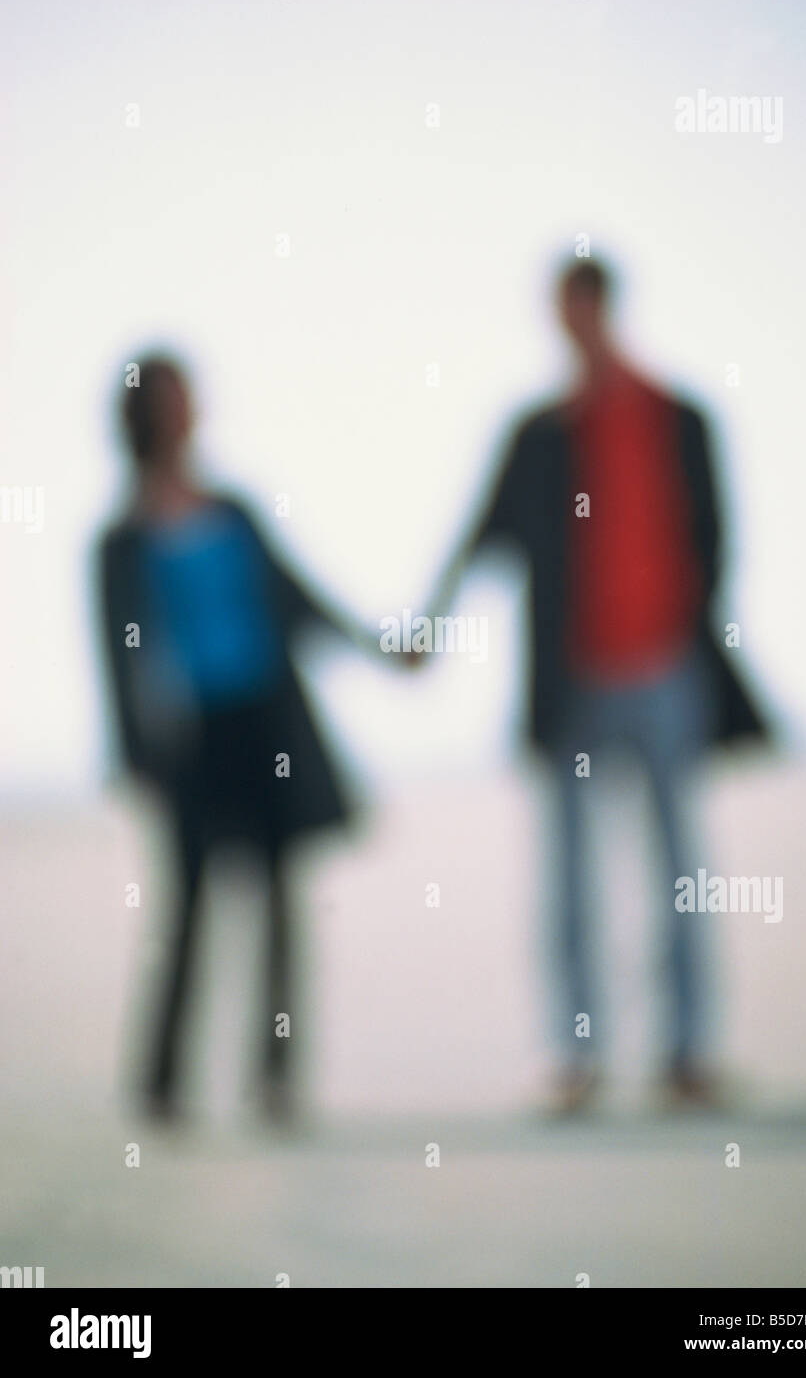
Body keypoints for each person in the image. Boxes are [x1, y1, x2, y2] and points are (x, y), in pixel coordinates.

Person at [426, 258, 766, 1113]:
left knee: (679, 869)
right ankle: (576, 1059)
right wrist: (428, 627)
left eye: (579, 309)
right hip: (572, 681)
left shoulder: (674, 417)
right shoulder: (541, 433)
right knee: (571, 879)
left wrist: (690, 630)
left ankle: (686, 1054)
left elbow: (713, 539)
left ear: (603, 309)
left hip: (663, 670)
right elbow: (484, 536)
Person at [97, 355, 386, 1122]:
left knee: (279, 906)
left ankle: (276, 1078)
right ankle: (162, 1083)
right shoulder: (121, 540)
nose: (187, 411)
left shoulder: (232, 512)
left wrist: (381, 646)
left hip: (265, 727)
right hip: (187, 743)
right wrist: (135, 757)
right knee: (187, 908)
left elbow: (297, 599)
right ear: (145, 417)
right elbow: (117, 658)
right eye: (171, 399)